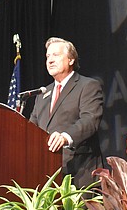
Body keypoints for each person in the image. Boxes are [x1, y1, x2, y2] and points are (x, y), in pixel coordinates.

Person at [29, 37, 104, 188]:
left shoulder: (87, 85)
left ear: (71, 60)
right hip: (46, 174)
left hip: (80, 171)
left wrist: (65, 137)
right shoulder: (42, 94)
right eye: (47, 56)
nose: (50, 60)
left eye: (55, 55)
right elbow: (32, 127)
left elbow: (90, 120)